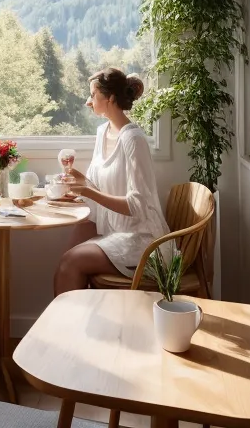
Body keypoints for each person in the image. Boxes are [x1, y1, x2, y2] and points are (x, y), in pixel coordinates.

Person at [54, 68, 170, 295]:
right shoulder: (102, 132)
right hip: (113, 231)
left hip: (142, 239)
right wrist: (74, 176)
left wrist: (87, 192)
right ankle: (78, 318)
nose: (88, 102)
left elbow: (137, 205)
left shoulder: (133, 139)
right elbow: (95, 184)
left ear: (111, 98)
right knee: (65, 259)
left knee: (71, 263)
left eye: (93, 95)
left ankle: (71, 319)